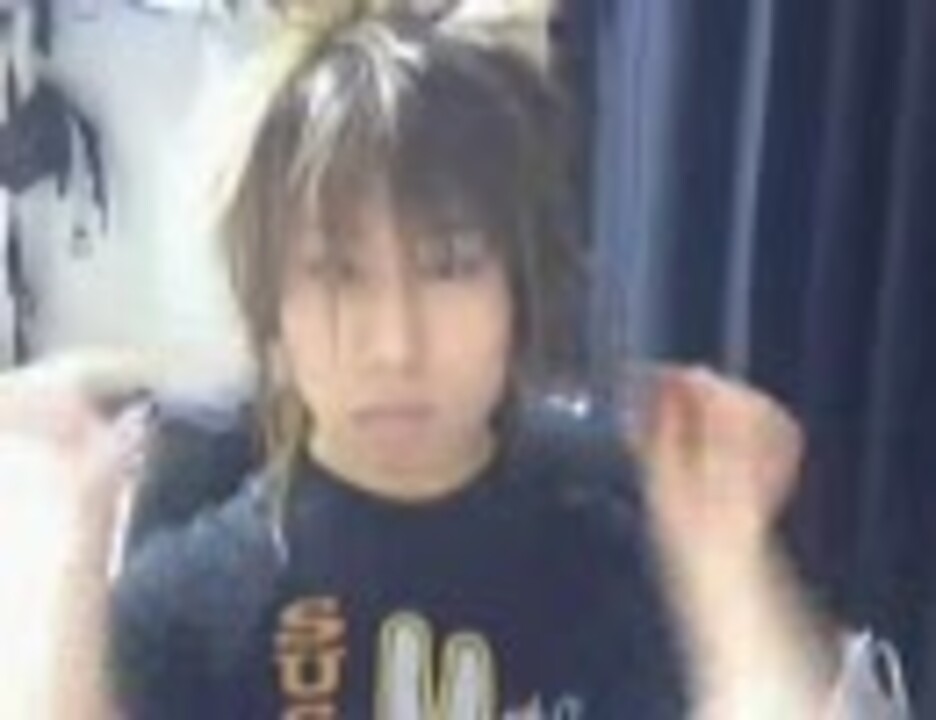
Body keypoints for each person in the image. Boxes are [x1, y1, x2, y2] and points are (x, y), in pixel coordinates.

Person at [0, 5, 905, 719]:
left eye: (449, 266)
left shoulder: (624, 568)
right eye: (336, 274)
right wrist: (63, 554)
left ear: (520, 291)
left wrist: (731, 565)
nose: (394, 346)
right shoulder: (198, 608)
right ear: (274, 314)